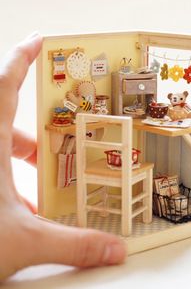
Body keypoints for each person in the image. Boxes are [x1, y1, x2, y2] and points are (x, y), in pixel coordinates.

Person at [0, 33, 126, 281]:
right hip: (85, 147)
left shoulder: (86, 104)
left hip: (87, 142)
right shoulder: (79, 105)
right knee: (64, 156)